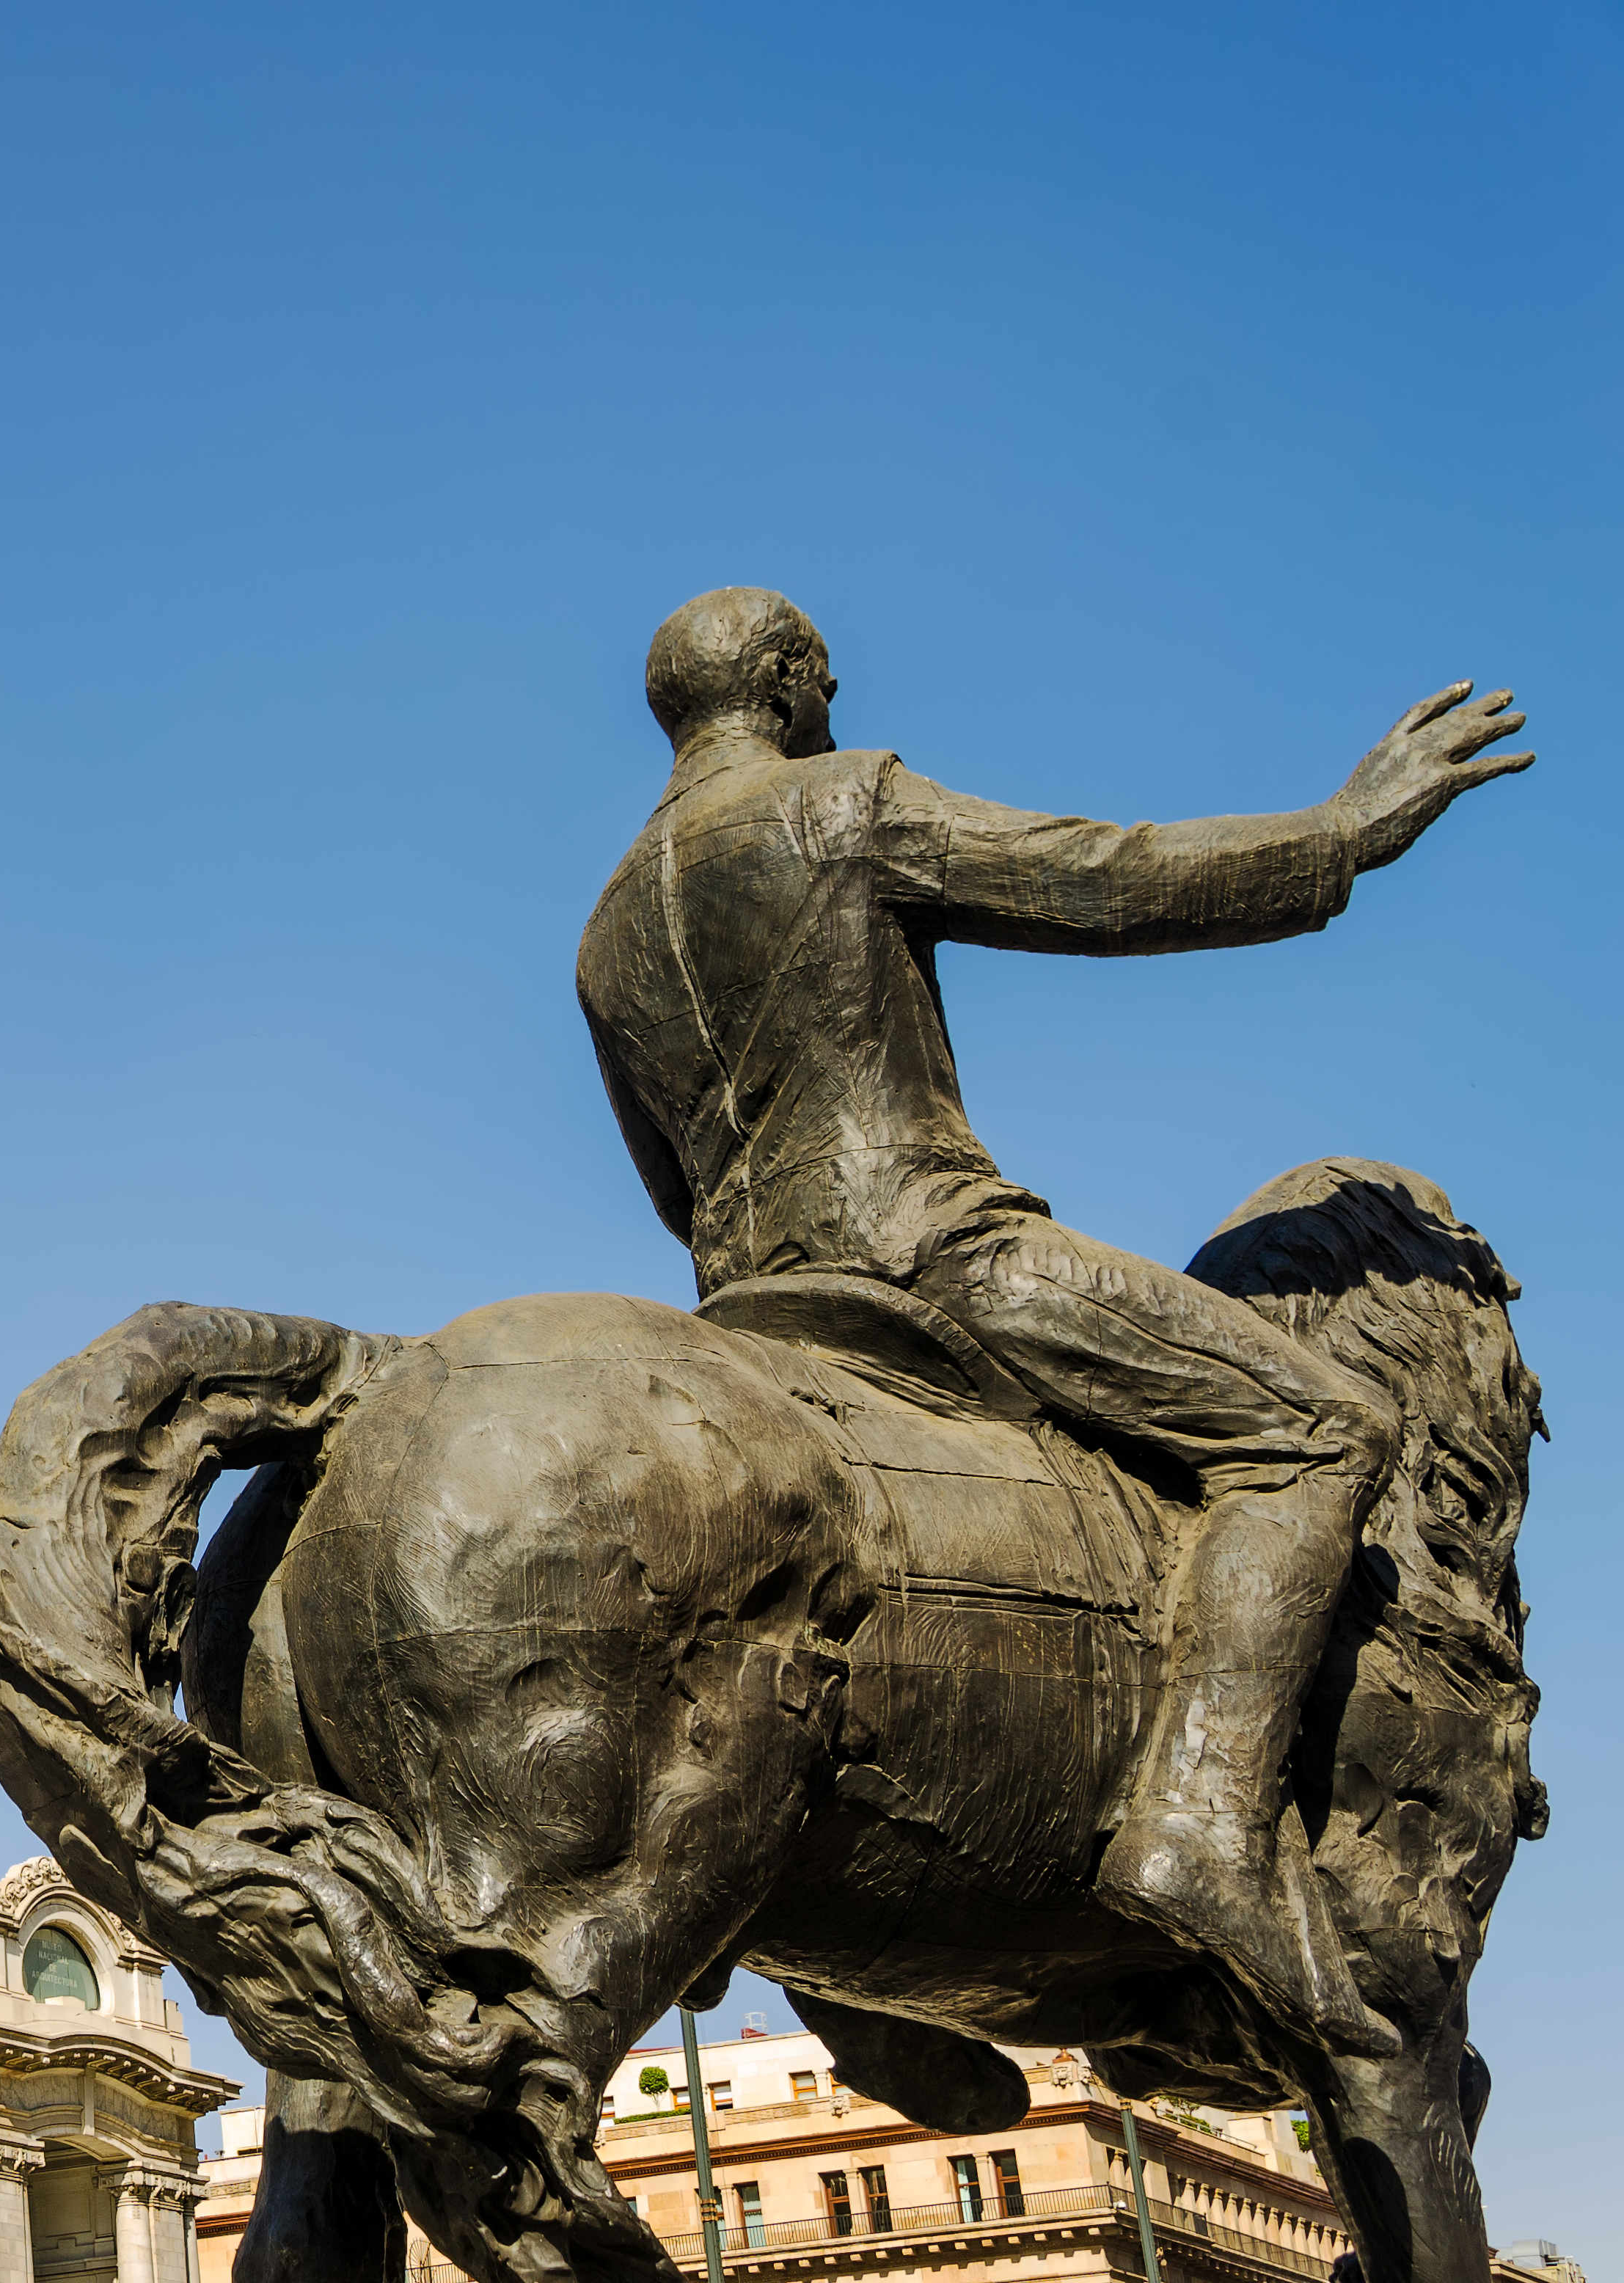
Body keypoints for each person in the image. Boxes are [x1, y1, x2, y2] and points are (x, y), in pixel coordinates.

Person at [577, 588, 1529, 2060]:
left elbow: (665, 1178)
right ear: (782, 679)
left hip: (753, 1312)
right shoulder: (844, 802)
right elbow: (1105, 880)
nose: (836, 691)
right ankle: (1201, 1820)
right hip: (935, 1254)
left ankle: (837, 1978)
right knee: (1323, 1432)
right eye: (823, 668)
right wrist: (1345, 833)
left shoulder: (609, 925)